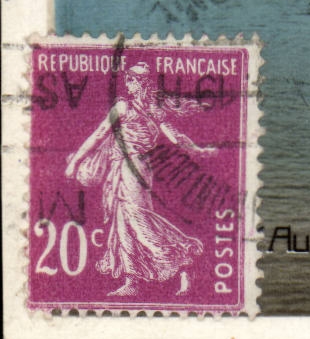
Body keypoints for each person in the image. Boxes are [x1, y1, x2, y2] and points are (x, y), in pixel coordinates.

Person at [64, 62, 211, 296]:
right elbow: (102, 134)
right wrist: (196, 148)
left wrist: (74, 162)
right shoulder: (140, 108)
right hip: (128, 167)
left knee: (138, 219)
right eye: (128, 80)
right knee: (123, 222)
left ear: (140, 84)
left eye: (132, 81)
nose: (128, 85)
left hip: (133, 167)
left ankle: (183, 262)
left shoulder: (130, 108)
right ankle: (132, 281)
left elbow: (101, 134)